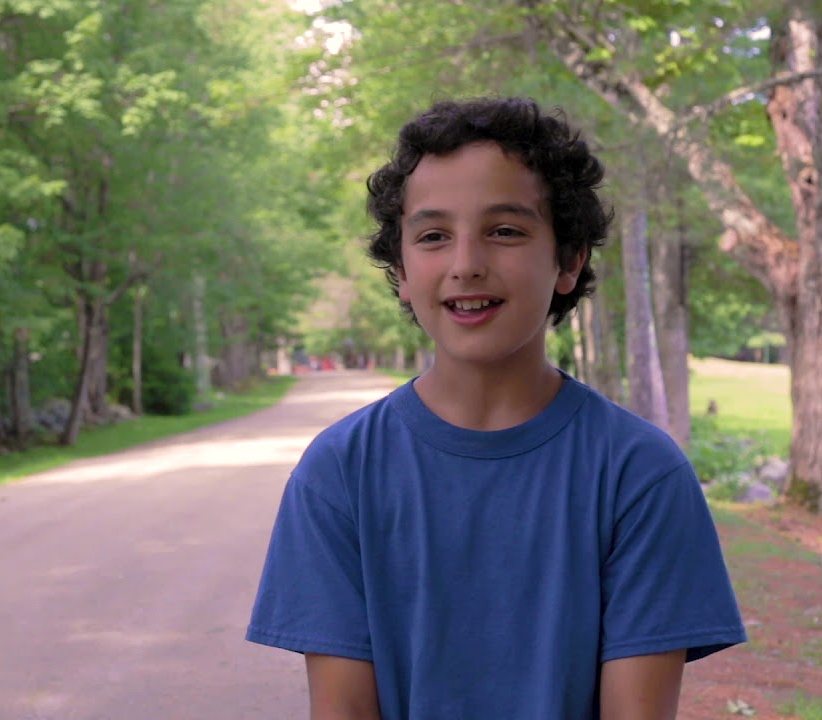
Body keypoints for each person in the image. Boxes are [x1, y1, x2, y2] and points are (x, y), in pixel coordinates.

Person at [245, 97, 746, 719]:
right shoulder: (340, 473)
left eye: (505, 231)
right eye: (433, 236)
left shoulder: (639, 474)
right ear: (402, 270)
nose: (466, 265)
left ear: (569, 260)